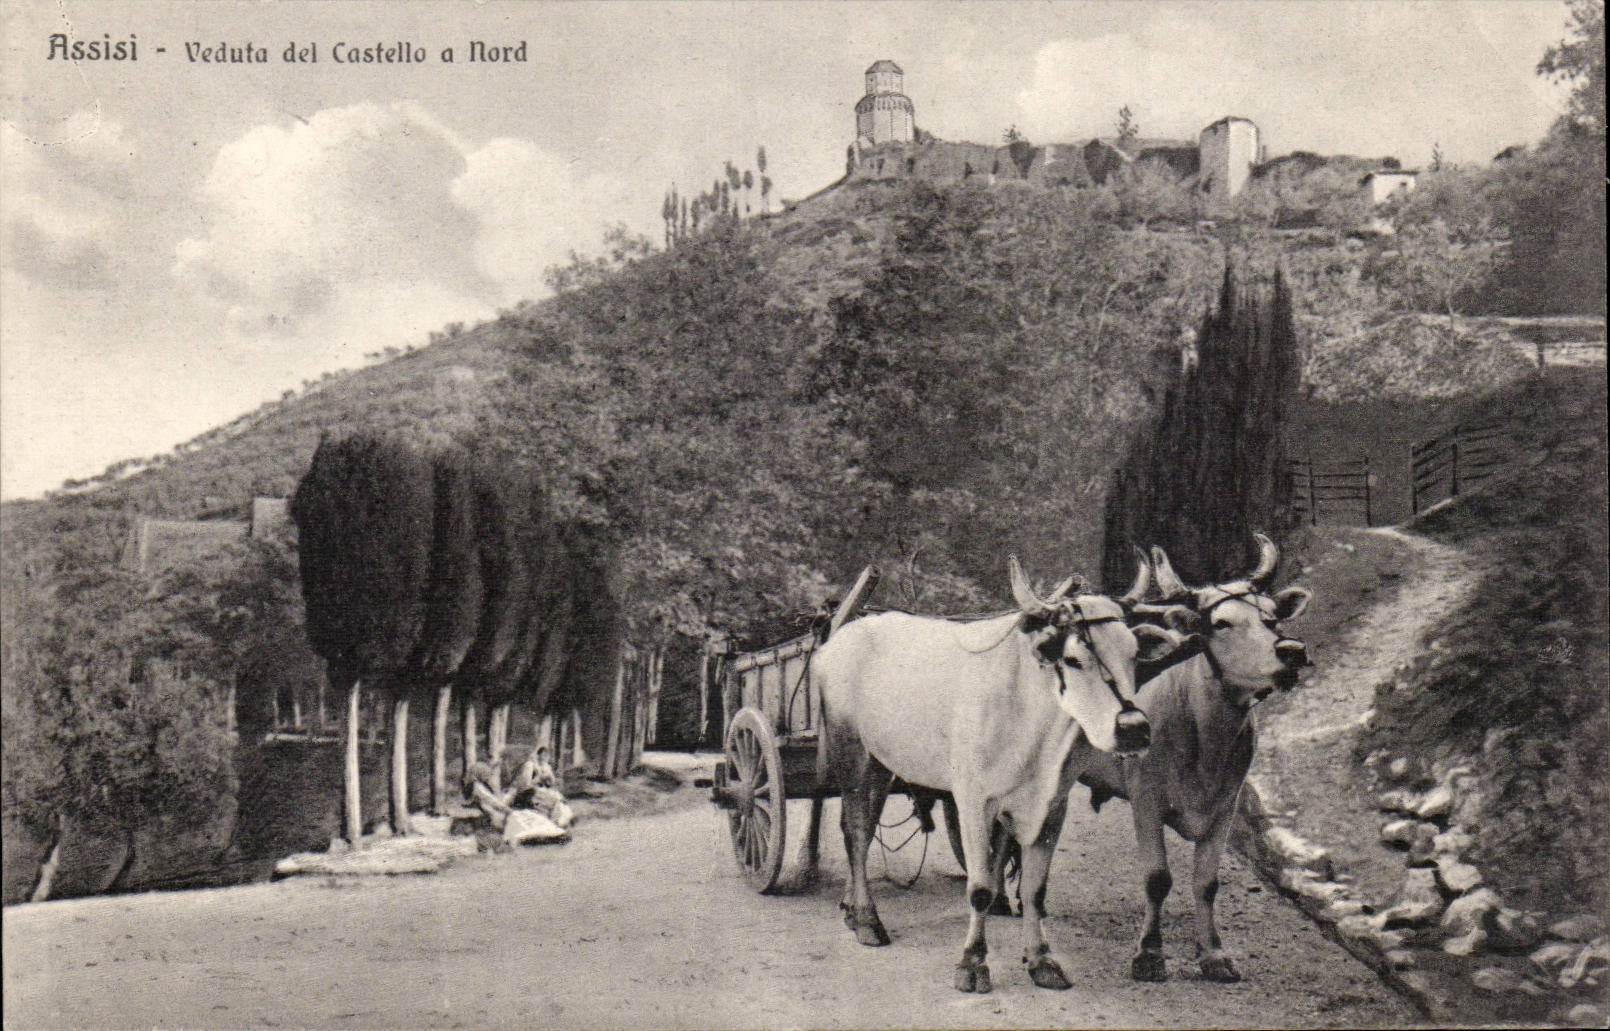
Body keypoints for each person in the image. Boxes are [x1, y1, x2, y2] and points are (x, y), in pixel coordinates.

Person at [465, 760, 568, 846]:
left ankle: (548, 832)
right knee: (521, 816)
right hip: (496, 816)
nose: (488, 777)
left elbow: (494, 802)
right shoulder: (477, 788)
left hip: (498, 813)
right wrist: (508, 809)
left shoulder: (479, 786)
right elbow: (492, 802)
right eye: (485, 774)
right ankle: (543, 834)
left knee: (527, 815)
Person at [508, 746, 574, 830]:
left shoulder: (546, 766)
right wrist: (539, 778)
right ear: (538, 755)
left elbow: (551, 782)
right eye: (543, 755)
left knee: (558, 798)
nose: (544, 758)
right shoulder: (530, 765)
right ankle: (551, 822)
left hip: (541, 789)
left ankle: (560, 820)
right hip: (528, 792)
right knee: (550, 799)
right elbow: (526, 785)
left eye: (547, 756)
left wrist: (549, 778)